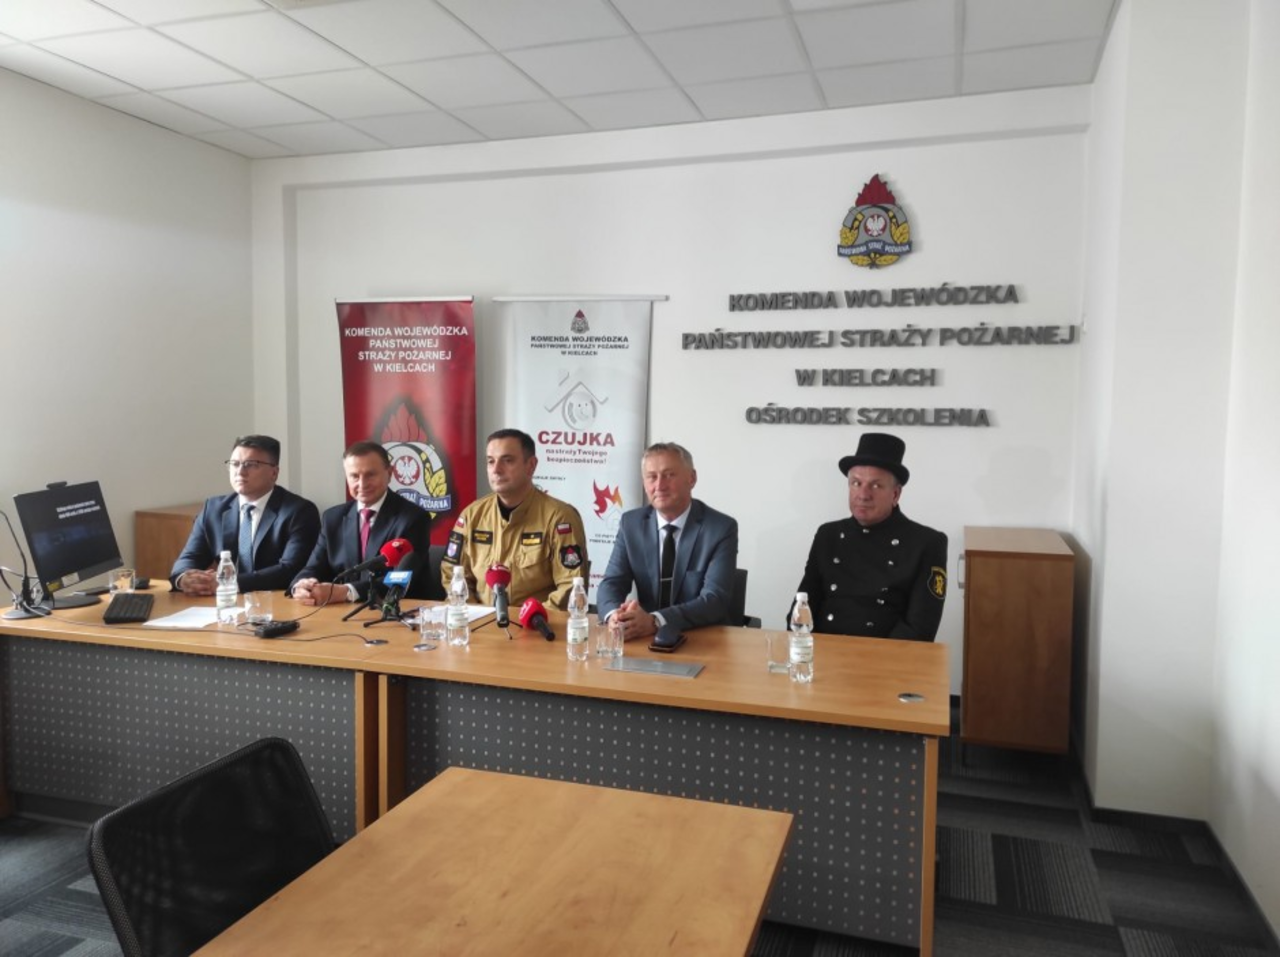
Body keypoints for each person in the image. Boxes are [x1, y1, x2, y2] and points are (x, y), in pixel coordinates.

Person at [793, 433, 947, 641]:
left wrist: (870, 658)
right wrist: (802, 650)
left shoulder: (926, 543)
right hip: (823, 651)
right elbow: (803, 605)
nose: (863, 495)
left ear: (895, 494)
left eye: (876, 485)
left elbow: (920, 628)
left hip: (888, 657)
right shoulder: (827, 535)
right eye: (856, 483)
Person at [596, 442, 738, 642]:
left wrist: (654, 620)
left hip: (701, 639)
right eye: (652, 477)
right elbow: (612, 583)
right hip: (644, 638)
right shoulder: (631, 524)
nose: (660, 486)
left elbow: (714, 600)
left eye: (669, 475)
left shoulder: (720, 528)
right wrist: (615, 617)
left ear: (692, 478)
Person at [441, 429, 587, 611]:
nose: (496, 470)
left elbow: (571, 587)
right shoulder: (471, 515)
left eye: (507, 460)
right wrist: (474, 615)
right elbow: (452, 574)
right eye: (491, 461)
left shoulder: (559, 518)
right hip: (477, 622)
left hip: (538, 624)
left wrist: (530, 618)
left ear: (531, 466)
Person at [171, 435, 320, 595]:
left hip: (274, 602)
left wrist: (229, 583)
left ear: (274, 473)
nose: (240, 472)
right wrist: (184, 579)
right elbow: (189, 558)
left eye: (251, 464)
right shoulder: (214, 508)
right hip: (226, 602)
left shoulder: (300, 511)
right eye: (235, 464)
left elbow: (291, 570)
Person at [290, 441, 434, 605]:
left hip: (397, 610)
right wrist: (302, 586)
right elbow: (313, 567)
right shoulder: (332, 518)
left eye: (370, 475)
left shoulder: (413, 518)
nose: (362, 484)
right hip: (339, 613)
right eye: (354, 476)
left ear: (389, 473)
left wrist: (347, 592)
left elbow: (399, 580)